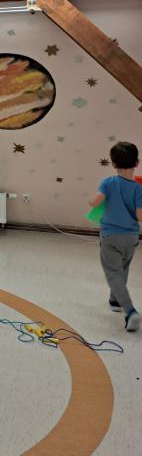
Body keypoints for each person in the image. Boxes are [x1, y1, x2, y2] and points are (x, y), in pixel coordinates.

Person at [88, 141, 142, 332]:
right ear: (136, 163)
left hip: (111, 235)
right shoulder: (138, 188)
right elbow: (140, 216)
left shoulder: (108, 182)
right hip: (132, 237)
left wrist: (92, 200)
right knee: (122, 268)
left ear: (113, 164)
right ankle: (115, 300)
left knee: (113, 272)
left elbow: (94, 203)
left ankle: (130, 311)